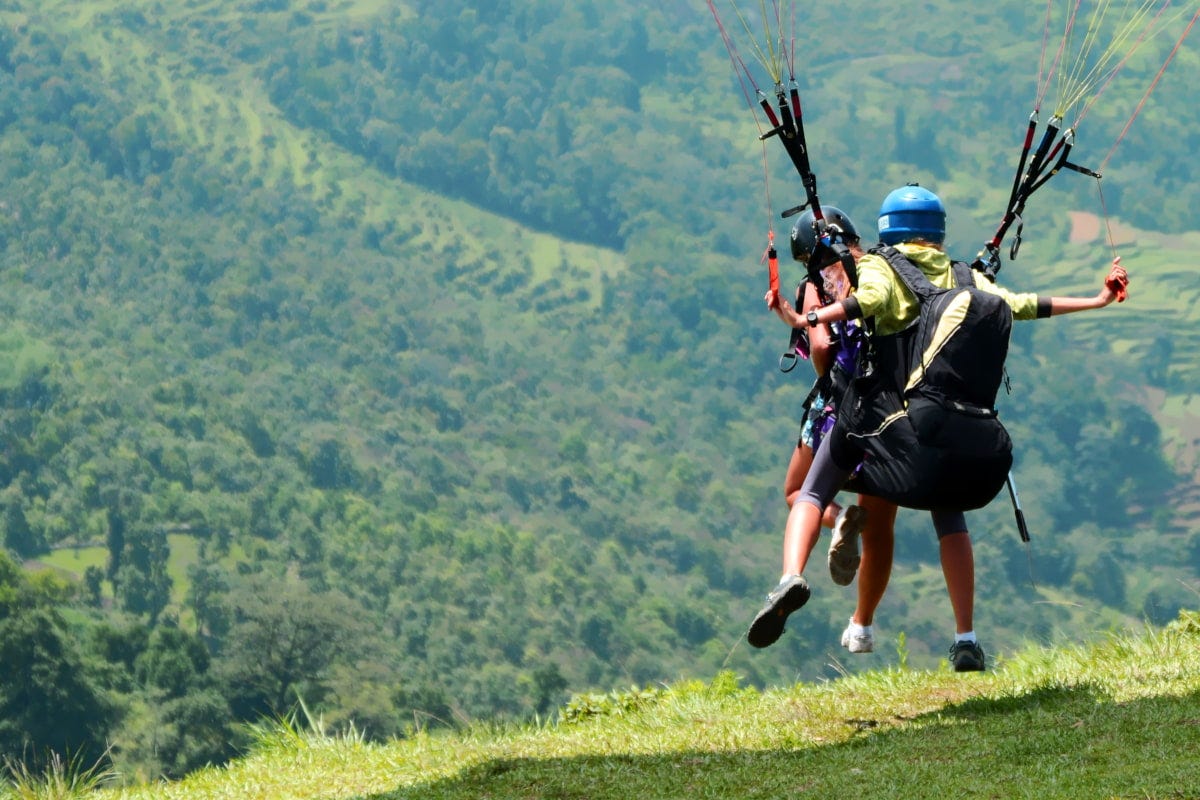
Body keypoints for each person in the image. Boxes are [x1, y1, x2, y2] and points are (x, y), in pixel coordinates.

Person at [768, 183, 1129, 671]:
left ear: (886, 231)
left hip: (880, 419)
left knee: (810, 493)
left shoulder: (879, 266)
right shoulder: (966, 276)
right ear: (938, 231)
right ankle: (966, 637)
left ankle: (791, 576)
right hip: (945, 419)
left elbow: (863, 303)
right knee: (949, 514)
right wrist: (1096, 300)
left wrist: (804, 314)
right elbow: (1021, 304)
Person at [747, 206, 896, 650]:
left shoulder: (818, 282)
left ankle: (819, 542)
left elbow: (821, 344)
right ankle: (863, 625)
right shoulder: (879, 272)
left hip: (839, 408)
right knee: (881, 523)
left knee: (799, 492)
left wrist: (825, 374)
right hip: (890, 410)